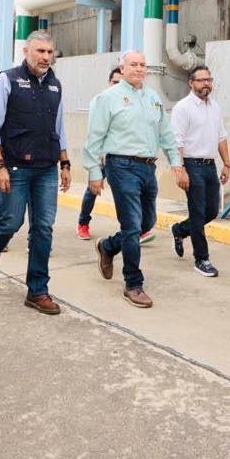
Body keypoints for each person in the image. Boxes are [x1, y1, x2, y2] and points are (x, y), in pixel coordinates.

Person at [83, 50, 188, 308]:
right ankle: (133, 283)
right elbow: (94, 138)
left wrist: (176, 162)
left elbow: (165, 133)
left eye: (143, 65)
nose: (139, 69)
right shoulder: (107, 98)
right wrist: (94, 173)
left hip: (147, 168)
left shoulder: (153, 98)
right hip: (120, 166)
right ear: (123, 67)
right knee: (131, 225)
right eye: (134, 64)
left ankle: (108, 246)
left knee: (146, 222)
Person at [0, 31, 70, 315]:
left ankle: (37, 290)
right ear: (26, 52)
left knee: (43, 228)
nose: (45, 57)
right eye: (40, 51)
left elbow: (60, 127)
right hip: (15, 166)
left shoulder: (55, 84)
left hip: (46, 169)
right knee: (10, 222)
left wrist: (65, 163)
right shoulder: (8, 80)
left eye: (50, 52)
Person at [170, 65, 230, 277]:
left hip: (209, 166)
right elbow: (176, 141)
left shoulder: (215, 107)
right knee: (197, 213)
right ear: (191, 83)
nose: (206, 83)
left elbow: (221, 136)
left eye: (209, 80)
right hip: (191, 165)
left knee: (211, 211)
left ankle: (179, 230)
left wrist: (227, 163)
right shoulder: (183, 108)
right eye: (201, 80)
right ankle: (201, 259)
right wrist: (181, 170)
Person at [76, 66, 121, 240]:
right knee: (92, 190)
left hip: (120, 157)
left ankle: (136, 227)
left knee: (125, 193)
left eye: (121, 83)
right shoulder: (100, 100)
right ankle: (83, 223)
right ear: (109, 82)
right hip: (102, 155)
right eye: (115, 82)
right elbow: (94, 131)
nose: (117, 86)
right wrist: (98, 154)